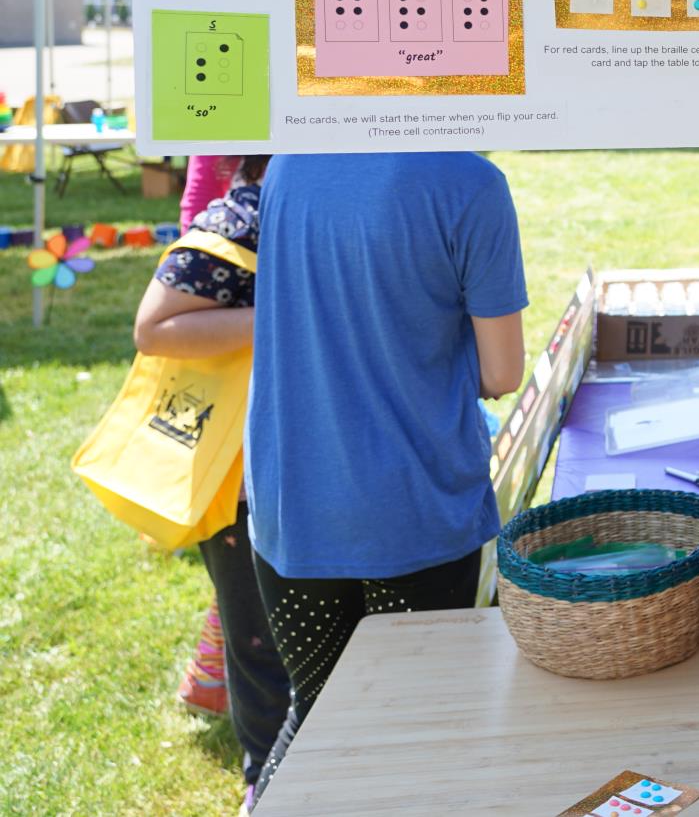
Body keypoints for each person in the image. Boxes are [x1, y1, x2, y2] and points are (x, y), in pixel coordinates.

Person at [245, 152, 527, 799]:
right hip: (412, 505)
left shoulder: (293, 158)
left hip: (294, 496)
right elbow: (503, 372)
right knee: (414, 737)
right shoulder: (471, 182)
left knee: (315, 710)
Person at [135, 156, 289, 813]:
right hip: (242, 479)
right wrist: (280, 321)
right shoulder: (240, 218)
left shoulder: (305, 210)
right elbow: (154, 326)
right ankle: (267, 784)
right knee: (257, 644)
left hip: (298, 468)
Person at [170, 153, 243, 722]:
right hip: (235, 369)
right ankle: (216, 677)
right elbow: (198, 218)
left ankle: (212, 676)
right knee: (238, 534)